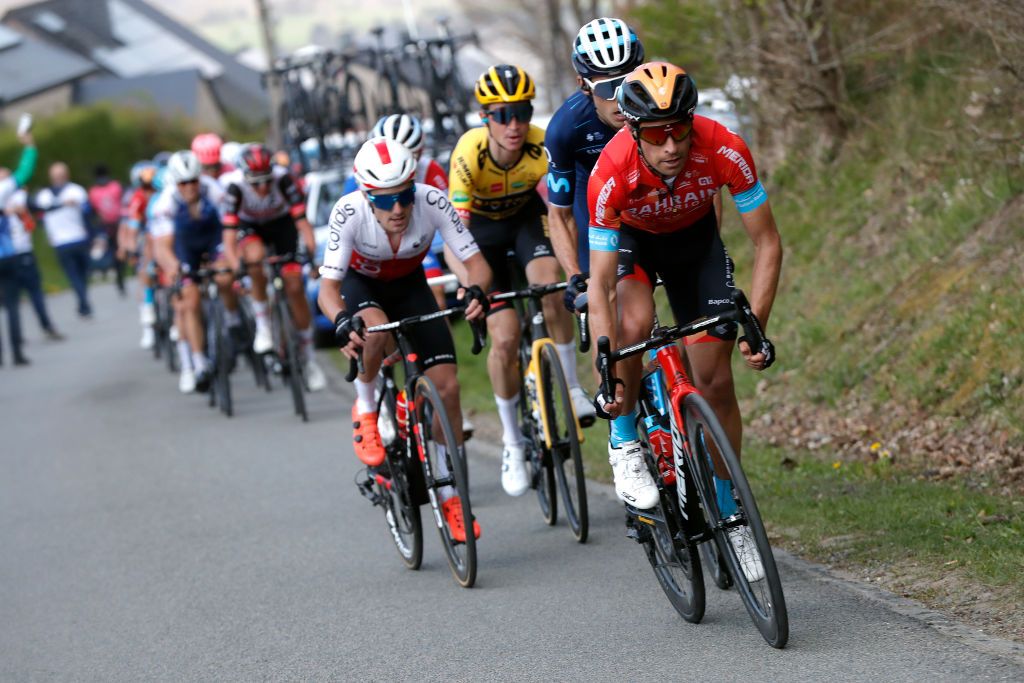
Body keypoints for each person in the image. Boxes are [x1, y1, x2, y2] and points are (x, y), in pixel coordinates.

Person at [586, 62, 782, 581]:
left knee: (714, 379)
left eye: (680, 129)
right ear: (633, 130)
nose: (671, 144)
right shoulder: (611, 171)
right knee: (635, 322)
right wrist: (604, 362)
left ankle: (731, 509)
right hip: (636, 248)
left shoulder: (724, 147)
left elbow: (767, 243)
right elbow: (600, 283)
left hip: (695, 246)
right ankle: (626, 441)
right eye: (656, 133)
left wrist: (755, 323)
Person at [318, 137, 492, 541]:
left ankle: (450, 497)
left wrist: (477, 290)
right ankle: (366, 411)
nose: (397, 209)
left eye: (404, 196)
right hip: (365, 289)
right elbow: (328, 289)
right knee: (374, 327)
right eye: (384, 200)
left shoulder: (432, 201)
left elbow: (476, 264)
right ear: (366, 194)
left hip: (410, 284)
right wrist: (343, 320)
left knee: (448, 388)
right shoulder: (348, 212)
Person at [448, 64, 596, 497]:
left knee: (551, 286)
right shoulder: (468, 153)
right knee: (506, 337)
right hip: (481, 238)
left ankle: (570, 387)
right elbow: (456, 234)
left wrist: (577, 270)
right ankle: (513, 441)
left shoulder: (540, 144)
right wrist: (467, 284)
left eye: (523, 111)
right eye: (502, 114)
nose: (514, 124)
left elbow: (559, 210)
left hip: (527, 223)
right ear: (485, 117)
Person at [546, 18, 648, 296]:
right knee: (602, 298)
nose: (618, 99)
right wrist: (574, 275)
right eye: (605, 88)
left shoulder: (662, 101)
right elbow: (559, 215)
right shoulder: (565, 128)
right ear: (583, 84)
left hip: (647, 197)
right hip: (592, 201)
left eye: (627, 84)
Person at [220, 143, 327, 391]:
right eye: (256, 183)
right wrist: (237, 267)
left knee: (294, 285)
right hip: (251, 228)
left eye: (266, 181)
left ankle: (309, 359)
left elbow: (303, 223)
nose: (263, 188)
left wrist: (310, 256)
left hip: (281, 226)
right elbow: (228, 235)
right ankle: (264, 327)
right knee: (255, 259)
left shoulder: (284, 180)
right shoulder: (234, 187)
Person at [149, 151, 238, 393]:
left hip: (212, 239)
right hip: (183, 247)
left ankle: (232, 320)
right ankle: (198, 363)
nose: (189, 187)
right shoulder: (165, 203)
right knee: (189, 299)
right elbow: (162, 248)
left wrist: (230, 260)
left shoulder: (214, 190)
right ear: (175, 183)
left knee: (224, 275)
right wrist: (175, 267)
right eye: (183, 183)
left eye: (193, 181)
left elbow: (230, 229)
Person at [0, 168, 62, 344]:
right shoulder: (19, 197)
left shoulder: (19, 198)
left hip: (10, 255)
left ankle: (19, 337)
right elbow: (31, 225)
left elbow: (29, 224)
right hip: (19, 252)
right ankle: (43, 327)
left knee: (13, 298)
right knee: (32, 293)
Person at [0, 126, 38, 366]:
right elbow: (23, 172)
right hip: (7, 255)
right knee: (12, 306)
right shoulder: (2, 189)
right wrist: (29, 146)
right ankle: (17, 353)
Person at [35, 162, 93, 318]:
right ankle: (84, 302)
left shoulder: (76, 191)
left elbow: (88, 212)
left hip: (78, 237)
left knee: (82, 273)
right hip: (61, 241)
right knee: (74, 275)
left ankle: (82, 301)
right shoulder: (44, 195)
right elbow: (40, 214)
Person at [119, 161, 160, 348]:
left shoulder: (164, 195)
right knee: (145, 265)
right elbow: (132, 228)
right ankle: (148, 314)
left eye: (153, 186)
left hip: (163, 232)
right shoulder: (137, 198)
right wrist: (130, 248)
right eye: (145, 187)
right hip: (146, 233)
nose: (149, 191)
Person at [87, 163, 125, 295]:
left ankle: (116, 273)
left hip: (111, 224)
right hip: (112, 225)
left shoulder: (95, 191)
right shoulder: (115, 186)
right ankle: (118, 276)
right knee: (116, 252)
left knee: (115, 251)